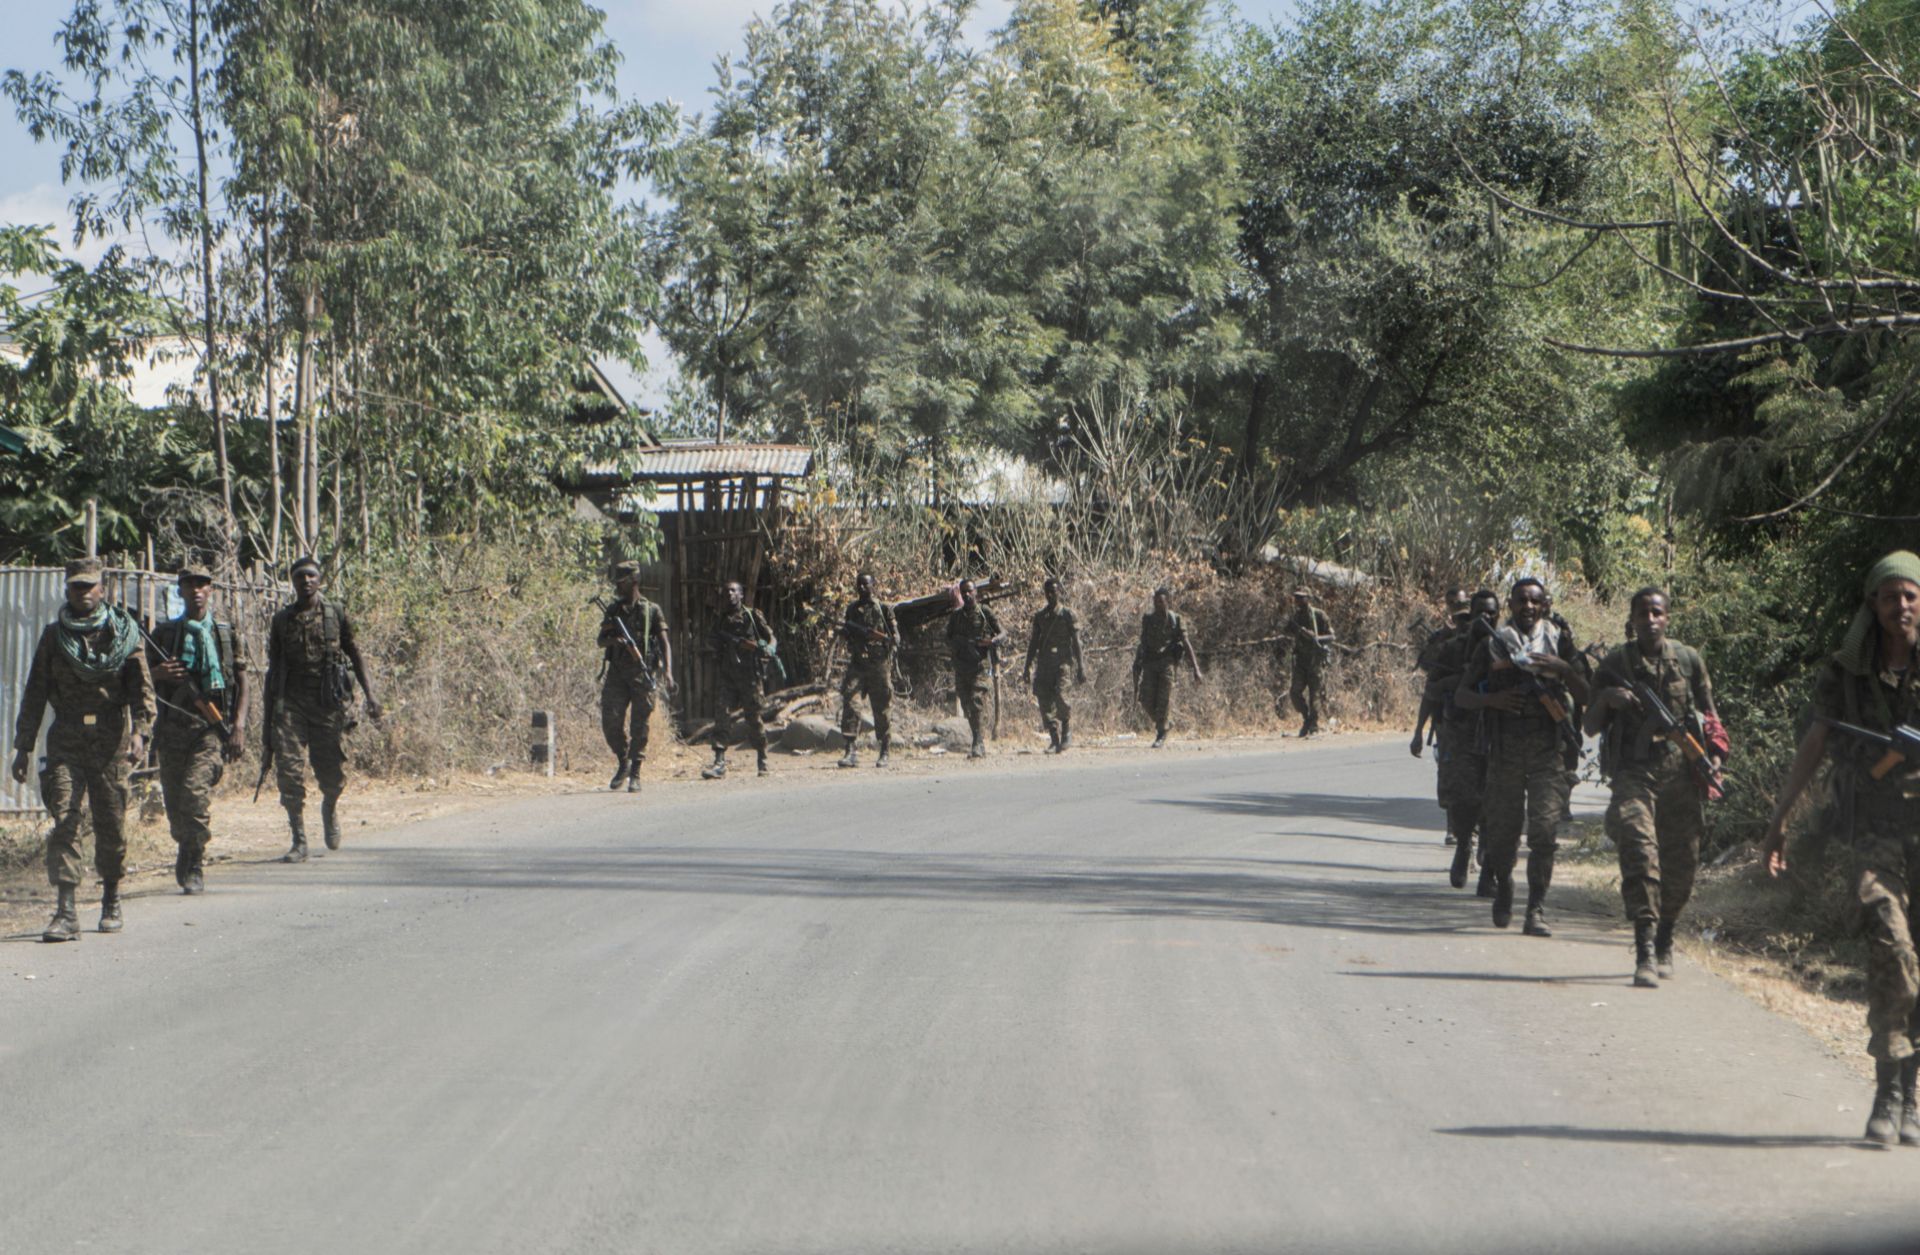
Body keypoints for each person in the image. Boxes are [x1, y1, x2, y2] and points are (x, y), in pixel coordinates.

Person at [1761, 551, 1920, 1145]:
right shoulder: (1848, 674)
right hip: (1873, 829)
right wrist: (1779, 819)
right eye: (1888, 597)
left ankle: (1910, 1092)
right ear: (1872, 606)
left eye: (1909, 595)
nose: (1899, 607)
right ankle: (1887, 1089)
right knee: (1891, 946)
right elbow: (1816, 740)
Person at [11, 559, 155, 940]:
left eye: (90, 586)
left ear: (103, 589)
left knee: (111, 822)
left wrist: (141, 731)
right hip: (67, 740)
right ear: (66, 589)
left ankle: (111, 897)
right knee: (65, 819)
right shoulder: (54, 637)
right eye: (76, 586)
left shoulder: (123, 634)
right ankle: (66, 911)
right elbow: (34, 694)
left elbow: (143, 688)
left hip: (111, 740)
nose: (84, 592)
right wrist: (22, 748)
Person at [1586, 587, 1722, 988]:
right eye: (1643, 613)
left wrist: (1715, 756)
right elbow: (1590, 726)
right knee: (1640, 853)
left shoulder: (1687, 660)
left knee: (1681, 865)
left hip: (1680, 773)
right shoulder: (1615, 663)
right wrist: (1609, 698)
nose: (1650, 620)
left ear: (1668, 618)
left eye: (1657, 613)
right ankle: (1644, 947)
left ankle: (1666, 935)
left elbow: (1710, 714)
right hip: (1634, 772)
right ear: (1631, 619)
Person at [1454, 578, 1588, 935]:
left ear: (1544, 605)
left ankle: (1535, 910)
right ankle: (1505, 887)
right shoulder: (1494, 645)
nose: (1528, 607)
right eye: (1521, 601)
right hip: (1505, 752)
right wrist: (1491, 700)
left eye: (1535, 601)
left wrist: (1563, 669)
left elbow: (1586, 692)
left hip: (1548, 751)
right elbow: (1461, 696)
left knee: (1544, 833)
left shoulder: (1559, 640)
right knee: (1501, 835)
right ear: (1510, 605)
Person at [265, 556, 381, 863]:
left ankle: (329, 805)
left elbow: (355, 654)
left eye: (311, 576)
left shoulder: (335, 614)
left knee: (331, 773)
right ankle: (299, 840)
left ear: (320, 579)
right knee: (289, 771)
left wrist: (371, 696)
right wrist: (269, 715)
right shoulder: (282, 620)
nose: (306, 581)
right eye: (300, 576)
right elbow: (273, 668)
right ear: (292, 581)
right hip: (291, 704)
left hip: (327, 703)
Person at [148, 563, 249, 894]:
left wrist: (238, 727)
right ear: (180, 591)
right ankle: (185, 845)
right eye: (189, 585)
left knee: (195, 797)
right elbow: (138, 678)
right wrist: (159, 674)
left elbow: (244, 683)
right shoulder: (164, 634)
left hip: (209, 728)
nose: (196, 590)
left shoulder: (225, 633)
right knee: (176, 807)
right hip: (171, 729)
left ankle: (195, 860)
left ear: (211, 590)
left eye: (202, 584)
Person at [1435, 590, 1500, 886]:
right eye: (1481, 613)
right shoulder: (1452, 649)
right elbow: (1431, 690)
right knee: (1461, 798)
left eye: (1492, 612)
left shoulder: (1507, 646)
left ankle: (1487, 857)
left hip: (1498, 734)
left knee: (1496, 799)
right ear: (1470, 615)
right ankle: (1464, 845)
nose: (1487, 618)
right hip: (1460, 733)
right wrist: (1461, 679)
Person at [598, 560, 671, 793]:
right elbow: (601, 640)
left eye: (622, 582)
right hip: (617, 674)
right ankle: (623, 761)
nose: (618, 587)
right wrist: (616, 640)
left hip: (643, 673)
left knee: (640, 726)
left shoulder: (651, 610)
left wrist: (668, 672)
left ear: (634, 581)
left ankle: (636, 773)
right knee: (610, 721)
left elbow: (664, 642)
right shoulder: (613, 610)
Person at [702, 580, 775, 780]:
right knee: (722, 715)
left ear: (741, 595)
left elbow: (771, 637)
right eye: (726, 592)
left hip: (750, 676)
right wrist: (723, 645)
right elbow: (710, 641)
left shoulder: (752, 616)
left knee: (753, 718)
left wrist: (768, 648)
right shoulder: (720, 620)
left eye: (734, 591)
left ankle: (762, 757)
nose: (729, 594)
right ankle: (719, 762)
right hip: (728, 676)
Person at [838, 573, 898, 768]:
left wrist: (883, 639)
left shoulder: (883, 609)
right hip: (857, 665)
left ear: (874, 585)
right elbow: (847, 635)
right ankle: (850, 750)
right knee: (851, 703)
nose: (862, 588)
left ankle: (885, 750)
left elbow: (896, 637)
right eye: (859, 585)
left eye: (866, 584)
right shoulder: (852, 610)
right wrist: (847, 633)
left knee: (881, 709)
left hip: (879, 665)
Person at [1023, 577, 1085, 753]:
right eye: (1048, 592)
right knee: (1044, 700)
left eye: (1054, 591)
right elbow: (1033, 643)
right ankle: (1054, 738)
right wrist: (1027, 667)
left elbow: (1076, 642)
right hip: (1044, 664)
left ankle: (1066, 730)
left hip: (1062, 664)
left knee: (1061, 697)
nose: (1051, 595)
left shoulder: (1067, 615)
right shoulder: (1040, 617)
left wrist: (1081, 666)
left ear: (1060, 592)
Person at [946, 578, 1006, 759]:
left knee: (976, 701)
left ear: (976, 593)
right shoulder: (956, 616)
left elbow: (1003, 632)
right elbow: (947, 638)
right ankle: (976, 737)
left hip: (980, 666)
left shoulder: (984, 612)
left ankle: (978, 742)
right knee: (966, 703)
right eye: (963, 592)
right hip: (962, 666)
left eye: (970, 591)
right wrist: (960, 644)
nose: (966, 595)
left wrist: (992, 641)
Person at [1133, 586, 1200, 749]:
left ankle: (1161, 733)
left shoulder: (1176, 619)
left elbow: (1186, 643)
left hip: (1167, 664)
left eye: (1161, 602)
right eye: (1156, 602)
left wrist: (1196, 669)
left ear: (1167, 602)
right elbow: (1143, 643)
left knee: (1163, 700)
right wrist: (1138, 662)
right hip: (1150, 663)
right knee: (1145, 699)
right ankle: (1165, 723)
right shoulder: (1148, 620)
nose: (1158, 605)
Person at [1413, 588, 1470, 759]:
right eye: (1451, 604)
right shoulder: (1441, 638)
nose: (1454, 607)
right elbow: (1430, 686)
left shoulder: (1482, 639)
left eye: (1458, 603)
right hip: (1446, 717)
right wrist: (1418, 732)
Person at [1288, 589, 1335, 737]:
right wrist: (1296, 630)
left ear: (1308, 599)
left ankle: (1313, 725)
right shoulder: (1296, 617)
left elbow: (1332, 636)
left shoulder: (1319, 615)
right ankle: (1306, 718)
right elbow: (1287, 631)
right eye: (1296, 598)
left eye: (1301, 598)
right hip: (1301, 662)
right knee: (1294, 693)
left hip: (1315, 661)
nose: (1298, 601)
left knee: (1314, 696)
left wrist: (1314, 637)